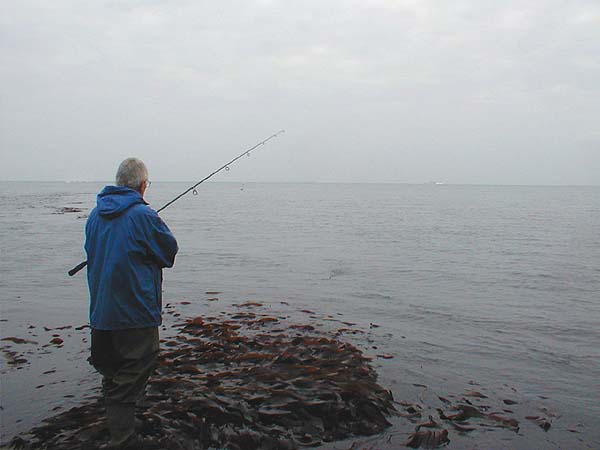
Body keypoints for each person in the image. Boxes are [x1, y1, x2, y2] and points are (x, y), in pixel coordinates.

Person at [85, 158, 178, 448]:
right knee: (131, 374)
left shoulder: (93, 216)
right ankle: (122, 441)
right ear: (142, 185)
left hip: (101, 313)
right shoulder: (142, 215)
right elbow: (169, 252)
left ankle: (119, 428)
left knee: (113, 374)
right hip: (135, 312)